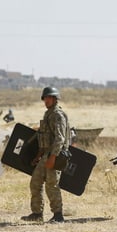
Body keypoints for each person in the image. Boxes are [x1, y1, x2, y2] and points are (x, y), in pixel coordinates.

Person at [21, 87, 70, 223]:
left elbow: (60, 139)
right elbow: (45, 138)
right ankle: (37, 213)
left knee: (51, 185)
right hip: (47, 154)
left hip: (56, 154)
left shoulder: (57, 115)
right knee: (35, 182)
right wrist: (39, 155)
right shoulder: (48, 114)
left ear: (54, 99)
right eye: (45, 98)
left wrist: (53, 158)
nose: (46, 100)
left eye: (49, 98)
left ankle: (58, 215)